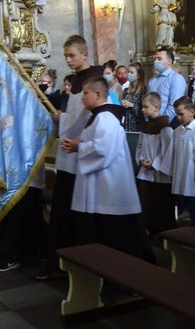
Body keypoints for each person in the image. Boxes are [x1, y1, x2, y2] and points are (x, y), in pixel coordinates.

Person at [62, 76, 155, 263]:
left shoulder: (106, 118)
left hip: (110, 190)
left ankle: (133, 277)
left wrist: (79, 146)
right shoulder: (99, 116)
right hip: (103, 187)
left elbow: (102, 150)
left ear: (98, 94)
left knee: (120, 237)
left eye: (85, 93)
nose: (82, 97)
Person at [37, 35, 103, 280]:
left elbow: (88, 116)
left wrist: (62, 119)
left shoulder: (94, 80)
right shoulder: (74, 82)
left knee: (79, 215)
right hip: (68, 154)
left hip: (81, 153)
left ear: (84, 54)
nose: (68, 60)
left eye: (72, 55)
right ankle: (58, 262)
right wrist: (62, 117)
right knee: (62, 211)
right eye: (65, 56)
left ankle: (81, 264)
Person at [135, 92, 175, 236]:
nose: (143, 110)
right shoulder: (145, 126)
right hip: (145, 173)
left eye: (146, 107)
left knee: (161, 205)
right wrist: (141, 159)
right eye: (142, 107)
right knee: (145, 203)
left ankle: (164, 234)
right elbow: (140, 146)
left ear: (156, 107)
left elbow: (168, 149)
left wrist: (155, 163)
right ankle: (148, 231)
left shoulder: (164, 127)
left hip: (160, 174)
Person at [171, 97, 195, 227]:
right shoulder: (177, 131)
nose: (178, 117)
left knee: (194, 206)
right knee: (182, 201)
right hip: (181, 172)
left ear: (192, 112)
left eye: (181, 114)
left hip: (193, 174)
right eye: (177, 114)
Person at [148, 46, 187, 124]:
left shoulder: (176, 78)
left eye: (159, 59)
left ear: (169, 61)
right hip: (152, 122)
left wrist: (161, 122)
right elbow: (148, 102)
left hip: (169, 122)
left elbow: (174, 105)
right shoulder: (152, 80)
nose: (156, 61)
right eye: (155, 59)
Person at [122, 62, 147, 132]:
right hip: (127, 123)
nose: (128, 74)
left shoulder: (143, 91)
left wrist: (132, 105)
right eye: (128, 72)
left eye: (132, 72)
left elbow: (143, 111)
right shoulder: (126, 91)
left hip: (137, 124)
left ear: (138, 75)